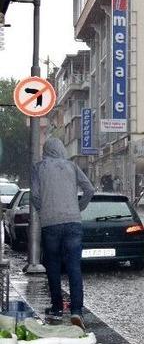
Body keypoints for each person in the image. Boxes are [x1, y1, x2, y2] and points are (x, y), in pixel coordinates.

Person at [31, 138, 95, 329]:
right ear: (61, 149)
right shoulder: (72, 166)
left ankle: (57, 307)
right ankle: (76, 310)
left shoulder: (39, 168)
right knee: (74, 267)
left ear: (46, 150)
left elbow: (34, 195)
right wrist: (78, 207)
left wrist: (44, 212)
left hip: (50, 224)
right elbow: (89, 189)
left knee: (53, 266)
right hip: (73, 222)